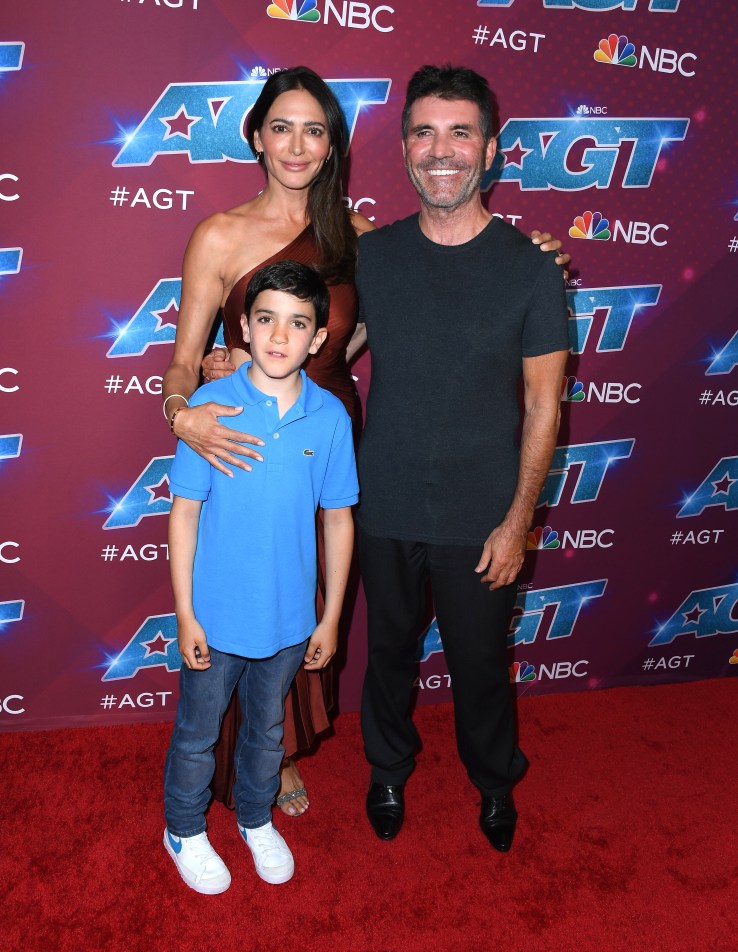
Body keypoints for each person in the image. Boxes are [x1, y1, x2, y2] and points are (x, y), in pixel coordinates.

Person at [162, 65, 568, 819]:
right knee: (327, 624)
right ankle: (305, 762)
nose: (296, 144)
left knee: (425, 645)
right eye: (280, 126)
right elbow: (235, 352)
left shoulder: (370, 243)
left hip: (365, 455)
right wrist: (197, 397)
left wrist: (533, 256)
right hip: (295, 456)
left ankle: (480, 782)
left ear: (490, 149)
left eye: (314, 129)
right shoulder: (296, 243)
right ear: (255, 135)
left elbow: (347, 344)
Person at [356, 65, 570, 854]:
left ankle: (493, 783)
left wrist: (519, 521)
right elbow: (324, 355)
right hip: (382, 503)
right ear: (405, 146)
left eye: (459, 132)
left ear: (491, 151)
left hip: (484, 512)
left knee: (482, 666)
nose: (439, 149)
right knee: (387, 658)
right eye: (423, 131)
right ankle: (386, 769)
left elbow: (545, 405)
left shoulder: (529, 266)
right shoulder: (372, 257)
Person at [163, 260, 358, 894]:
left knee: (268, 729)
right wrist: (187, 613)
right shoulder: (209, 407)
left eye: (298, 323)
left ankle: (253, 817)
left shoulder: (330, 417)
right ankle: (184, 828)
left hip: (291, 618)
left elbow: (337, 519)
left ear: (319, 340)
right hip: (216, 615)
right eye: (266, 318)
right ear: (243, 326)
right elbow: (185, 513)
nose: (280, 335)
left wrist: (328, 618)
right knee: (197, 734)